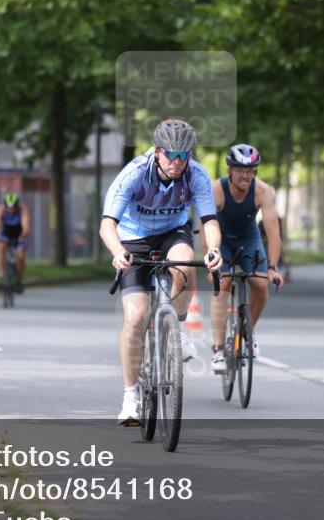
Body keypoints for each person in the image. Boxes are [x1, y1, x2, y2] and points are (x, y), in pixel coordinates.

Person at [99, 119, 223, 426]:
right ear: (157, 152)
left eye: (185, 155)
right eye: (172, 155)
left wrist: (214, 250)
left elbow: (209, 220)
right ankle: (131, 397)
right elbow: (107, 224)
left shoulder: (195, 174)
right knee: (136, 317)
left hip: (172, 232)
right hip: (132, 239)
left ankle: (178, 327)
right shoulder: (134, 174)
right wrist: (118, 253)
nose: (178, 162)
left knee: (185, 264)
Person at [203, 144, 285, 375]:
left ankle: (248, 332)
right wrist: (209, 260)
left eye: (250, 170)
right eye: (240, 170)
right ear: (230, 170)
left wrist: (272, 267)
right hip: (221, 240)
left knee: (260, 283)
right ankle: (219, 350)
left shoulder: (263, 191)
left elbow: (273, 231)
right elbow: (205, 228)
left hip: (249, 239)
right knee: (224, 283)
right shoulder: (216, 190)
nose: (245, 175)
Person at [0, 192, 30, 292]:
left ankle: (19, 280)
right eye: (9, 208)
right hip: (6, 233)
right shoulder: (0, 210)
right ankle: (1, 275)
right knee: (1, 246)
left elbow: (26, 225)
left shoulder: (22, 209)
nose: (11, 210)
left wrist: (23, 235)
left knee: (20, 255)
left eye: (13, 208)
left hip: (19, 234)